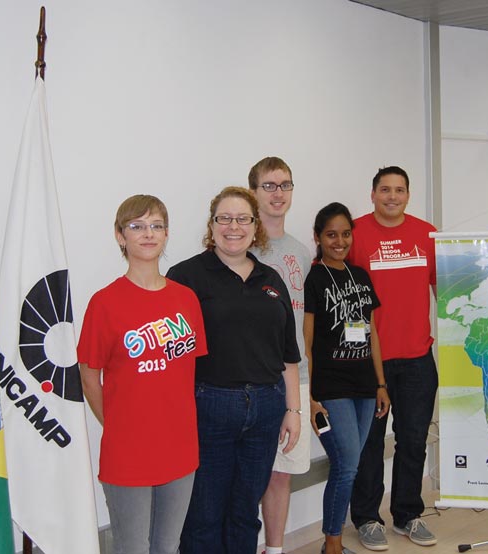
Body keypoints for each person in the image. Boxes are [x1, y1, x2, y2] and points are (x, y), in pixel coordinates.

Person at [167, 186, 302, 554]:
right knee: (204, 515)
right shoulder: (185, 277)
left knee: (245, 512)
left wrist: (293, 411)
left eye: (243, 219)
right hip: (209, 406)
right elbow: (171, 354)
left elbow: (287, 354)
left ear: (255, 226)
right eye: (224, 218)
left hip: (266, 408)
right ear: (211, 226)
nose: (233, 226)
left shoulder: (271, 279)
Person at [77, 195, 207, 554]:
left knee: (167, 546)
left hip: (180, 447)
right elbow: (89, 377)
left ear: (166, 235)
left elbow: (188, 373)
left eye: (156, 226)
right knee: (132, 547)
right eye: (137, 226)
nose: (148, 234)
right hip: (128, 451)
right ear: (121, 236)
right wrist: (119, 424)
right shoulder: (104, 303)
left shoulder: (186, 299)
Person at [349, 166, 438, 549]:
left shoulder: (427, 234)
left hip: (418, 358)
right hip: (369, 361)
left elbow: (447, 290)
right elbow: (341, 297)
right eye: (385, 189)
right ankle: (368, 518)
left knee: (413, 441)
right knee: (368, 444)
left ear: (408, 195)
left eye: (399, 190)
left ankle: (407, 515)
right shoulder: (354, 234)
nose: (392, 196)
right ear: (372, 194)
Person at [304, 202, 390, 554]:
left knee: (350, 464)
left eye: (344, 234)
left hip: (365, 387)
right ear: (318, 238)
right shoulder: (314, 279)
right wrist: (310, 396)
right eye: (331, 234)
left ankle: (333, 541)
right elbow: (305, 342)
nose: (339, 241)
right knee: (347, 464)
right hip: (331, 388)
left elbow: (372, 334)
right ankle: (333, 543)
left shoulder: (361, 275)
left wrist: (381, 384)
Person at [248, 156, 312, 554]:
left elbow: (304, 323)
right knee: (247, 472)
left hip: (295, 379)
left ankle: (274, 549)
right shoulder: (240, 246)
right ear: (253, 191)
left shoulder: (302, 252)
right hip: (251, 379)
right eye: (269, 186)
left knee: (281, 473)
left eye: (285, 185)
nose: (278, 193)